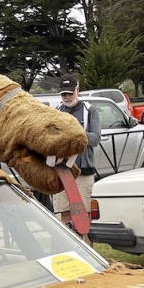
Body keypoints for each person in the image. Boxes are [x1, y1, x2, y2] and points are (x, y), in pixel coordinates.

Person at [51, 75, 101, 234]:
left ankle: (86, 249)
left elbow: (96, 138)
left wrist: (74, 134)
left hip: (83, 172)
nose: (67, 97)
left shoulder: (90, 110)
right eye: (63, 94)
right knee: (63, 215)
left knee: (85, 218)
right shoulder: (56, 112)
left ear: (77, 90)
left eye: (70, 93)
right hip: (62, 172)